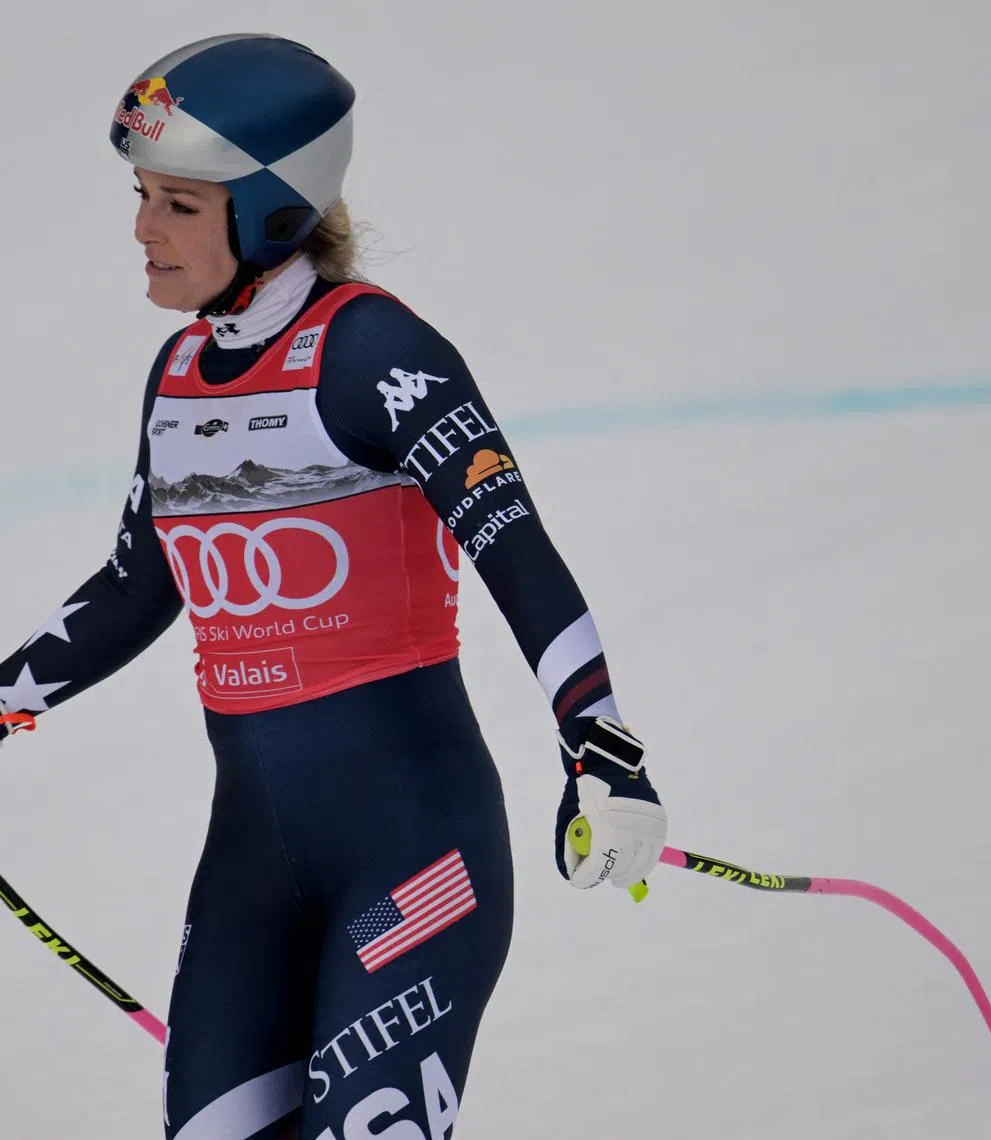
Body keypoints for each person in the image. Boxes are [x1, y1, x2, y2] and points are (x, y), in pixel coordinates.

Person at [0, 33, 667, 1140]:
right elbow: (135, 587)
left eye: (178, 204)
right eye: (141, 197)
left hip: (416, 857)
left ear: (271, 214)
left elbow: (516, 549)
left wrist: (599, 744)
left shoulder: (370, 350)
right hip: (251, 874)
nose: (143, 230)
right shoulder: (179, 376)